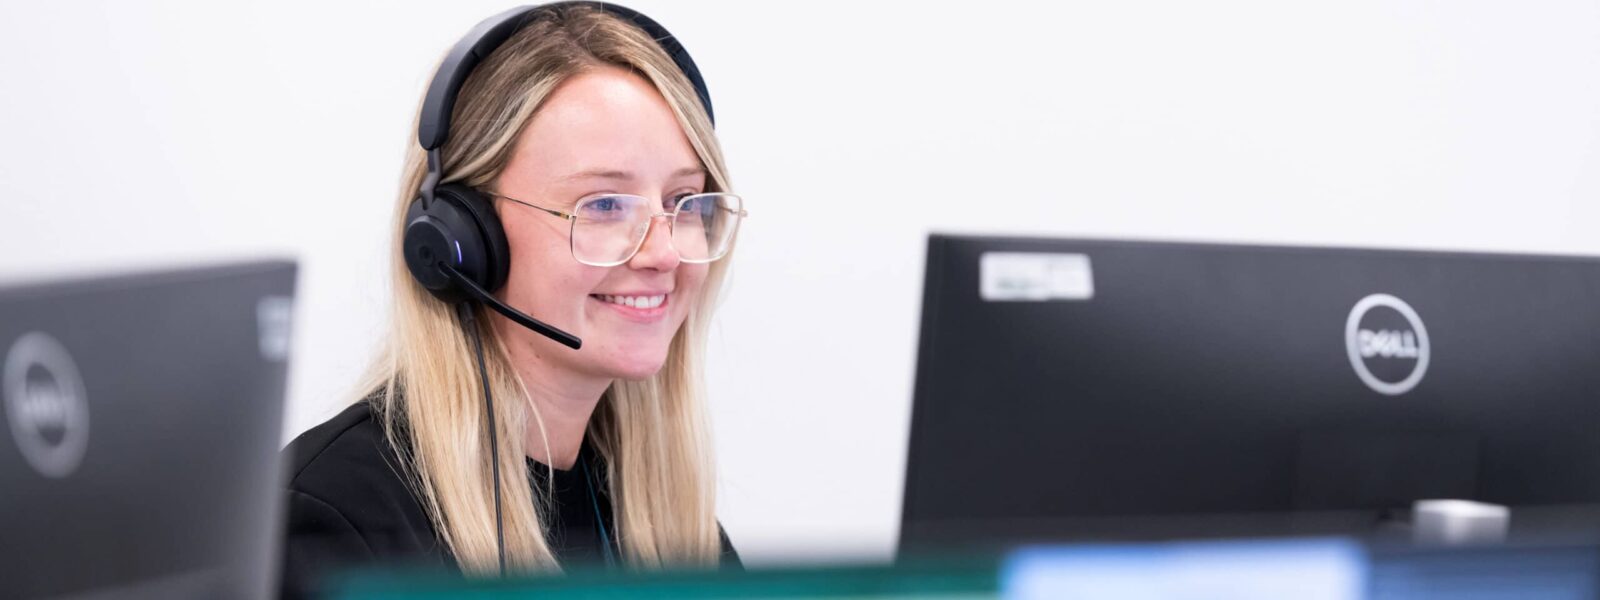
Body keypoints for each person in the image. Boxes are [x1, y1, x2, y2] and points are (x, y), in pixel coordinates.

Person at [278, 4, 745, 598]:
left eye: (685, 200)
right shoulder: (338, 521)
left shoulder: (659, 520)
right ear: (462, 239)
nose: (664, 253)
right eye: (603, 205)